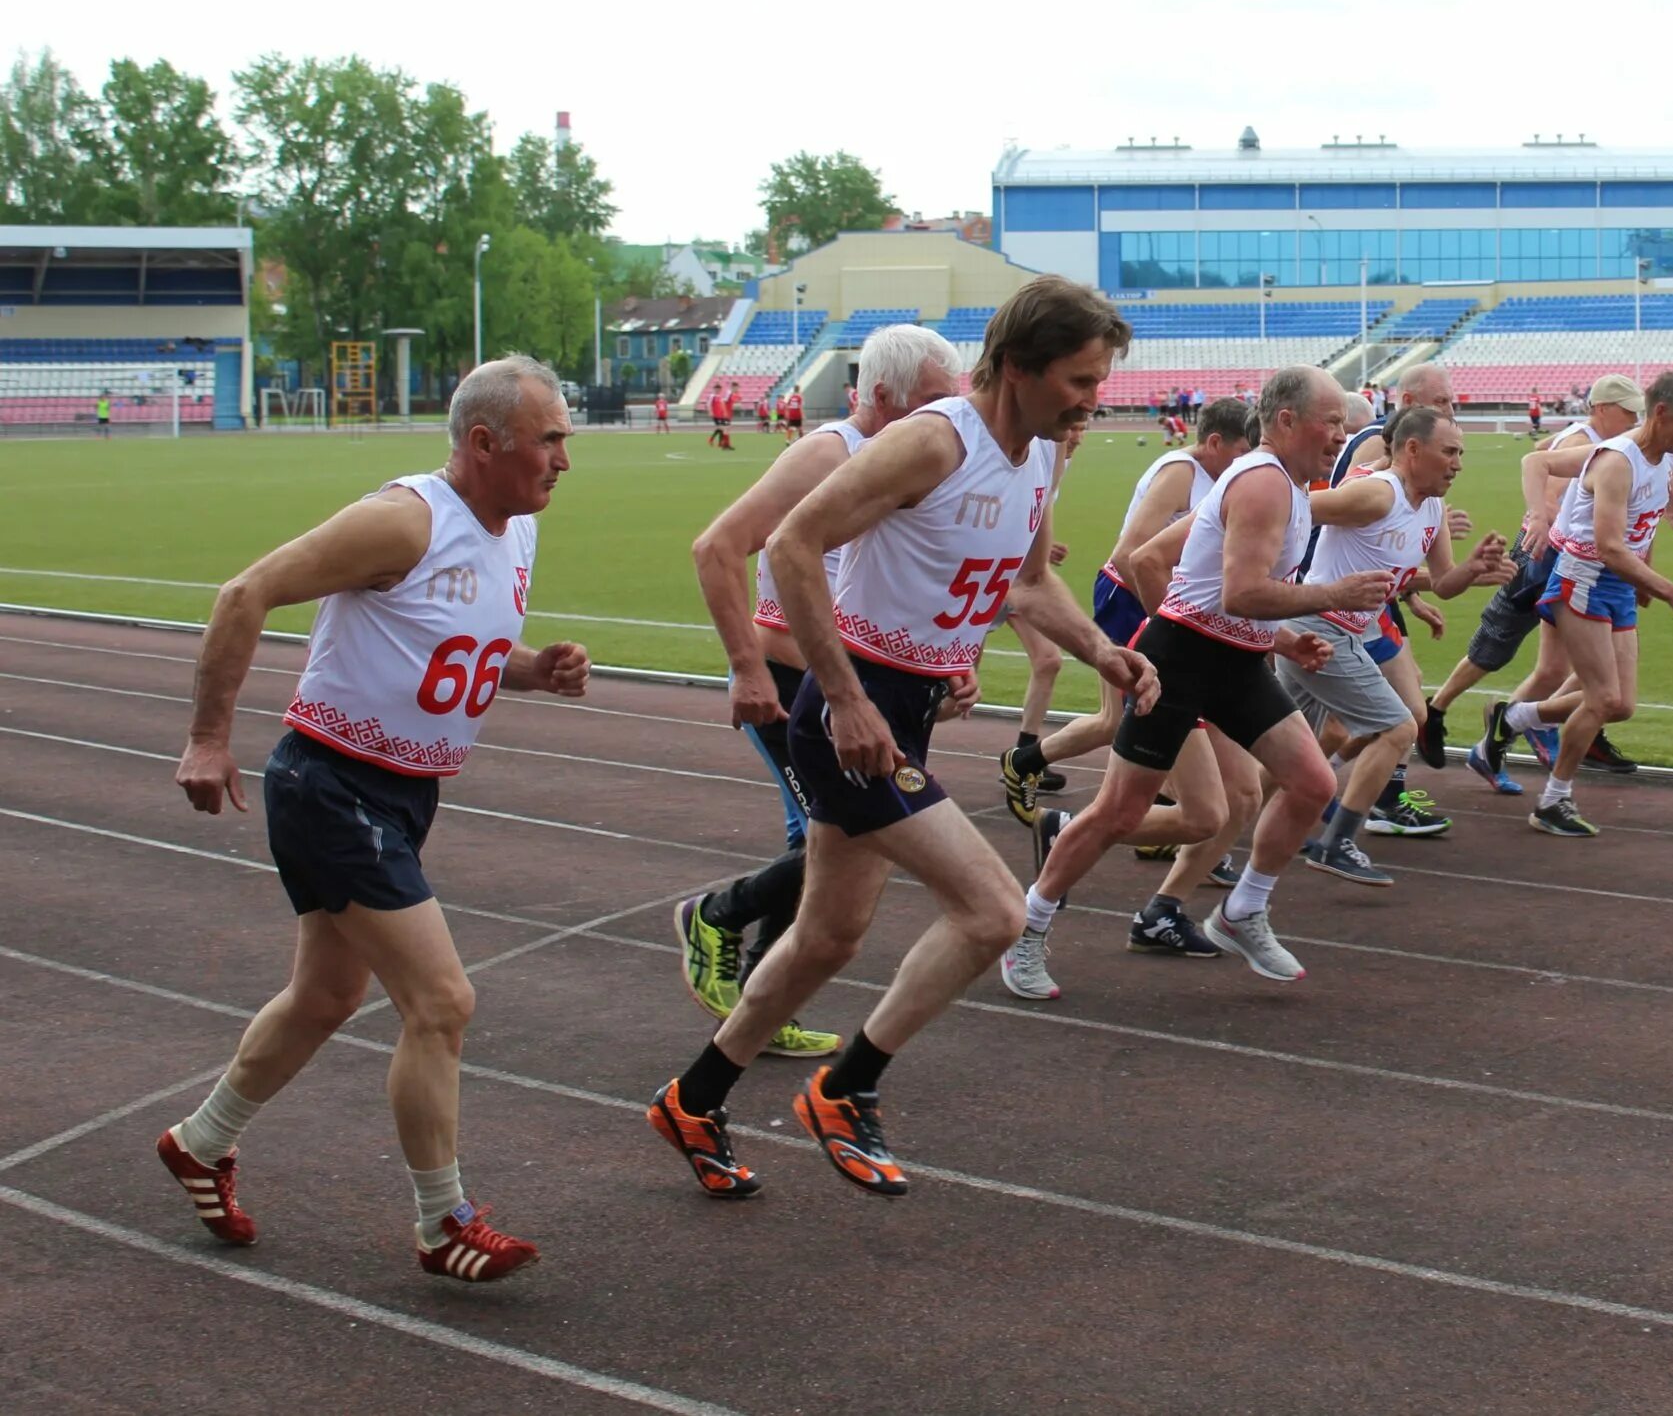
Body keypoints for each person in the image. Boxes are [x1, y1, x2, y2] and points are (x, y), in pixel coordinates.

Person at [647, 278, 1152, 1200]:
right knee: (997, 911)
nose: (1093, 399)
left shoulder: (1038, 458)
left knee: (827, 937)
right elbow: (793, 545)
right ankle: (846, 1089)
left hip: (906, 708)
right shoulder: (932, 439)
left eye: (1099, 380)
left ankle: (694, 1098)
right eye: (1080, 379)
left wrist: (1104, 653)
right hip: (850, 714)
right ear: (1021, 365)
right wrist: (841, 696)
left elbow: (1030, 585)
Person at [165, 356, 588, 1282]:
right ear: (484, 443)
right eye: (549, 438)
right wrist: (207, 738)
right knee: (442, 1001)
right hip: (332, 786)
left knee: (325, 997)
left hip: (401, 793)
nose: (565, 458)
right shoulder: (405, 518)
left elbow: (450, 640)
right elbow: (245, 593)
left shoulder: (511, 530)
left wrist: (530, 668)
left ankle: (201, 1141)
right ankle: (444, 1222)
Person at [997, 367, 1390, 997]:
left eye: (1346, 423)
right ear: (1286, 421)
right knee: (1120, 811)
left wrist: (1281, 638)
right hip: (1183, 660)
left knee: (1310, 782)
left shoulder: (1280, 483)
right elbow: (1239, 591)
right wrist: (1331, 594)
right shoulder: (1263, 484)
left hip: (1234, 660)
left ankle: (1241, 911)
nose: (1342, 436)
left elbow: (1157, 558)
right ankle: (1029, 924)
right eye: (1333, 421)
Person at [673, 325, 968, 1059]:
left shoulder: (922, 466)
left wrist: (946, 662)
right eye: (932, 402)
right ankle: (717, 913)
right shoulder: (830, 453)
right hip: (790, 685)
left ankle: (758, 1007)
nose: (949, 418)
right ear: (879, 397)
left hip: (852, 688)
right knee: (855, 836)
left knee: (827, 841)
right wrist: (745, 667)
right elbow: (715, 547)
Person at [1496, 369, 1673, 837]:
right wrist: (1671, 591)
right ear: (1661, 413)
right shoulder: (1616, 462)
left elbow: (1669, 513)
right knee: (1602, 698)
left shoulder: (1668, 457)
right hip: (1583, 579)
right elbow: (1609, 546)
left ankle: (1515, 716)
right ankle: (1554, 800)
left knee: (1621, 705)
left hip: (1617, 586)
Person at [1283, 406, 1514, 886]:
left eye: (1461, 453)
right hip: (1317, 627)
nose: (1458, 464)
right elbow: (1285, 509)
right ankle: (1336, 841)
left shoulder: (1430, 507)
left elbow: (1446, 582)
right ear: (1413, 449)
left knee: (1283, 757)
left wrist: (1474, 570)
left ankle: (1209, 834)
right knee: (1398, 727)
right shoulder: (1374, 494)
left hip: (1343, 631)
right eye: (1449, 452)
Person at [999, 397, 1255, 828]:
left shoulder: (1222, 477)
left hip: (1166, 603)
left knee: (1112, 721)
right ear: (1214, 443)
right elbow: (1126, 555)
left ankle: (1024, 761)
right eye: (1243, 453)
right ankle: (1170, 816)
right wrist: (1167, 622)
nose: (1249, 464)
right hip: (1130, 597)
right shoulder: (1181, 473)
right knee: (1168, 711)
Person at [1421, 373, 1646, 786]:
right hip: (1544, 554)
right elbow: (1544, 474)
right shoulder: (1583, 444)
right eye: (1629, 413)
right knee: (1498, 645)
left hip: (1574, 560)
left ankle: (1529, 731)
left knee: (1557, 668)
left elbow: (1544, 450)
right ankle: (1438, 710)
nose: (1637, 420)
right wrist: (1539, 516)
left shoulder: (1592, 443)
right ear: (1602, 409)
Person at [1006, 418, 1089, 777]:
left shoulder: (1060, 463)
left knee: (1048, 660)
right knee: (955, 695)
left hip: (1015, 578)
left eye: (1083, 429)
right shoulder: (1037, 455)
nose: (1078, 438)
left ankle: (1023, 758)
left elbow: (1027, 518)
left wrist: (1040, 546)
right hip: (996, 578)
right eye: (1075, 428)